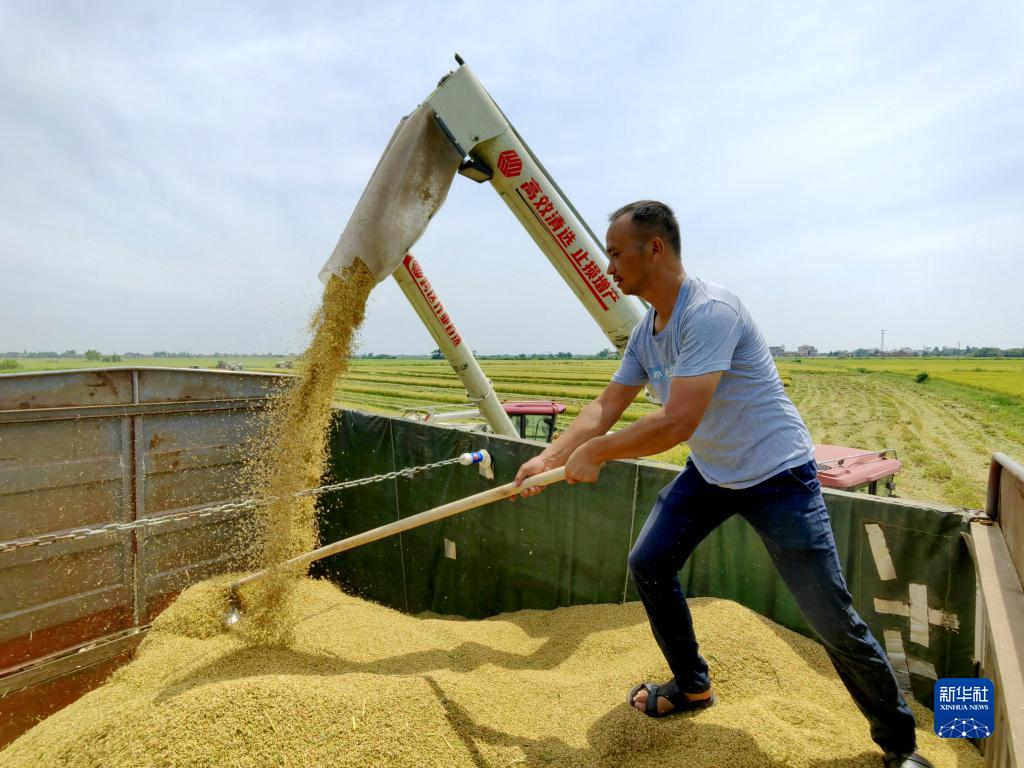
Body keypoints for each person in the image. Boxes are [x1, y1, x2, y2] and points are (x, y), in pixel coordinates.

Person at [513, 201, 931, 768]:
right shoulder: (646, 335)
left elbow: (676, 422)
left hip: (778, 475)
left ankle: (900, 746)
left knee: (829, 615)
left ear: (654, 248)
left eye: (615, 253)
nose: (608, 267)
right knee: (649, 563)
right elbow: (603, 408)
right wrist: (548, 458)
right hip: (712, 472)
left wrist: (598, 452)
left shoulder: (709, 312)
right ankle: (692, 685)